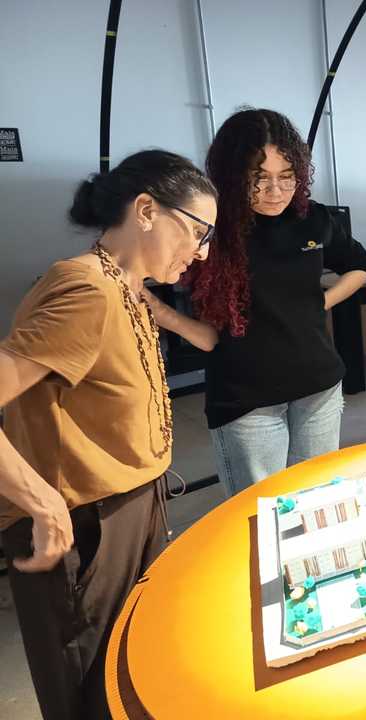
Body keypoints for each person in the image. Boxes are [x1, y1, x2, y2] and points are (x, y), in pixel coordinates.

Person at [0, 150, 216, 719]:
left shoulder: (129, 287)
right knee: (91, 690)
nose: (202, 251)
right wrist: (41, 503)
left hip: (132, 504)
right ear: (146, 210)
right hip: (84, 525)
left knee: (134, 667)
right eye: (198, 231)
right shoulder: (85, 289)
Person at [159, 109, 366, 496]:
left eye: (286, 177)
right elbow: (206, 334)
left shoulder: (313, 219)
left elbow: (359, 265)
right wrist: (157, 311)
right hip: (248, 399)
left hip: (318, 387)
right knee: (260, 509)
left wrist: (321, 302)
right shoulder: (212, 230)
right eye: (259, 179)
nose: (275, 191)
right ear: (233, 176)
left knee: (317, 499)